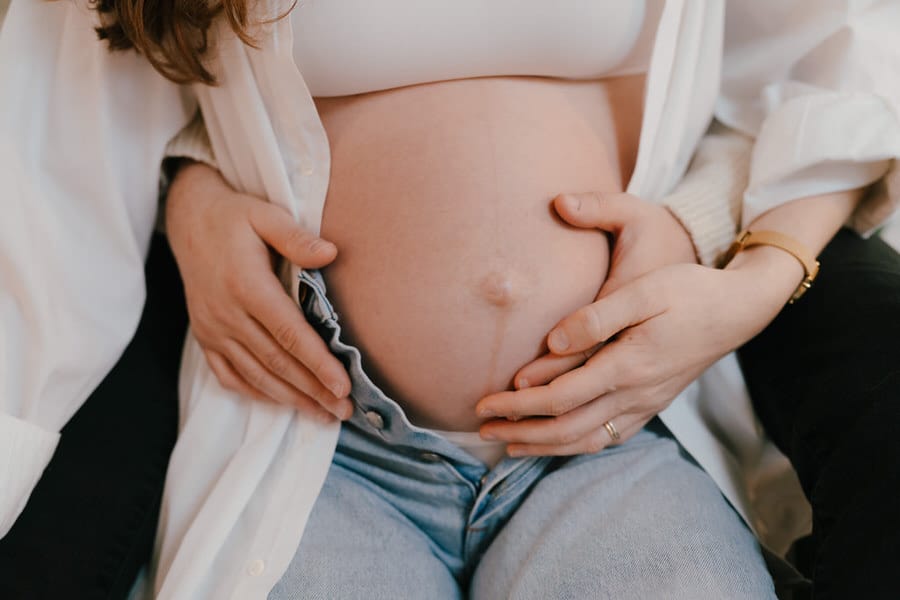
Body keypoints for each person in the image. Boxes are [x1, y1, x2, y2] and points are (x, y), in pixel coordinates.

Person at [0, 1, 897, 598]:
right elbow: (71, 113)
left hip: (605, 430)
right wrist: (185, 191)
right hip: (320, 436)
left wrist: (750, 271)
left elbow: (833, 59)